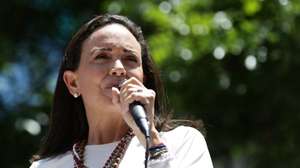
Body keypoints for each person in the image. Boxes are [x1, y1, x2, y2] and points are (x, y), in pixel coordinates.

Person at [29, 14, 213, 168]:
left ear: (143, 80)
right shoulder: (45, 166)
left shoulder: (182, 143)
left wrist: (153, 143)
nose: (119, 68)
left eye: (130, 58)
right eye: (102, 56)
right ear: (73, 83)